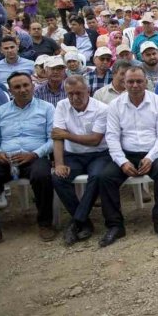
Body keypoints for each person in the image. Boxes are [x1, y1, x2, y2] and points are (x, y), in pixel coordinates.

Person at [0, 72, 55, 250]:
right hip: (6, 158)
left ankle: (45, 223)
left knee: (42, 176)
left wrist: (34, 154)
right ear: (10, 90)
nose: (23, 90)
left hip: (34, 156)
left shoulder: (47, 108)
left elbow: (52, 140)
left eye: (26, 85)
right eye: (17, 87)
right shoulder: (0, 112)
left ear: (33, 86)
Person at [98, 67, 158, 246]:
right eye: (130, 81)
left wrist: (150, 157)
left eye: (139, 81)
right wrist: (122, 161)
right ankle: (115, 225)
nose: (135, 85)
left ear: (146, 82)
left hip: (153, 152)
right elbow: (112, 136)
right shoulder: (115, 105)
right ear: (124, 83)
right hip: (126, 153)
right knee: (105, 177)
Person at [51, 75, 112, 245]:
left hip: (99, 153)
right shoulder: (62, 106)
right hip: (73, 155)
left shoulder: (102, 109)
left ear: (88, 91)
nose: (74, 98)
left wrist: (67, 135)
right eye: (70, 94)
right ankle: (84, 222)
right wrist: (59, 163)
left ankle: (76, 222)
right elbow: (57, 137)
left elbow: (95, 140)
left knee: (98, 176)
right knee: (58, 177)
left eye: (78, 93)